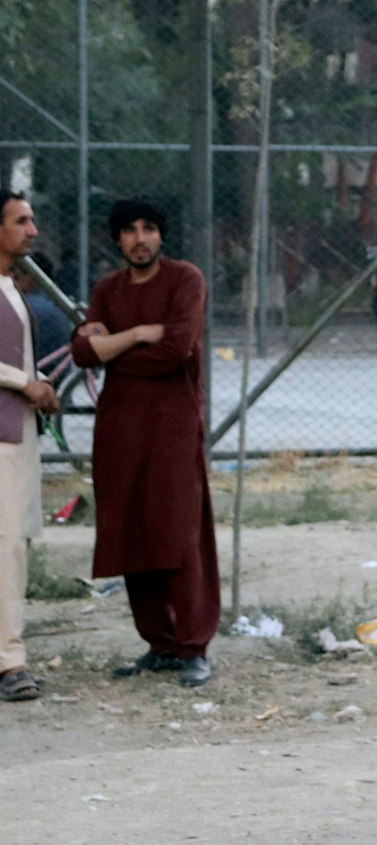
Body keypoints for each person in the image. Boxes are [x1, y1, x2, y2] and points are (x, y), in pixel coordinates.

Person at [70, 197, 218, 687]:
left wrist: (112, 347)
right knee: (131, 531)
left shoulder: (185, 280)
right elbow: (81, 351)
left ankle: (193, 645)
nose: (140, 238)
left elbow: (176, 349)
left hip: (173, 424)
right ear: (117, 239)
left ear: (161, 235)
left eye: (149, 228)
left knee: (178, 533)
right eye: (130, 230)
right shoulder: (108, 289)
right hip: (120, 427)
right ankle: (159, 643)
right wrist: (136, 333)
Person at [0, 194, 59, 702]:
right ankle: (10, 662)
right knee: (6, 547)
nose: (32, 231)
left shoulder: (12, 288)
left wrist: (37, 383)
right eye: (21, 222)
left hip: (16, 436)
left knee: (13, 544)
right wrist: (26, 381)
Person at [12, 263, 72, 364]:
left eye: (16, 276)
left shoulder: (23, 304)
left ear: (31, 279)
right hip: (58, 370)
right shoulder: (59, 307)